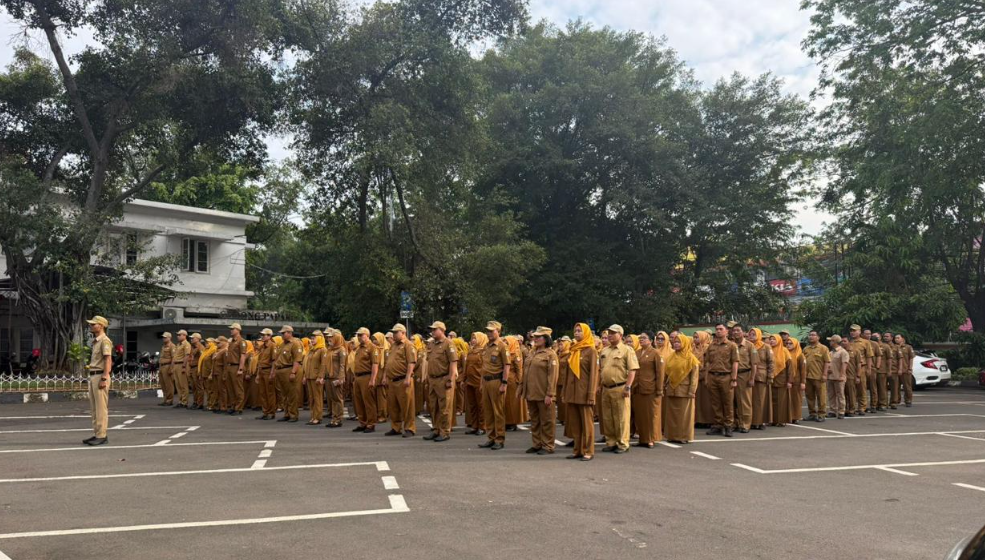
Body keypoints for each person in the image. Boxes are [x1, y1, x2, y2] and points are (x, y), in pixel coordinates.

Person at [599, 324, 639, 454]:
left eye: (613, 333)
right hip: (606, 388)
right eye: (609, 333)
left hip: (620, 387)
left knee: (621, 417)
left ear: (620, 335)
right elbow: (601, 370)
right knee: (608, 417)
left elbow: (632, 370)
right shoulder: (604, 351)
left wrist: (628, 386)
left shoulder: (627, 350)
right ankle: (611, 442)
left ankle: (623, 443)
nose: (610, 335)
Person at [520, 326, 559, 455]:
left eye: (538, 337)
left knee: (547, 421)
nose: (535, 339)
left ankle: (548, 445)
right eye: (534, 337)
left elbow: (552, 376)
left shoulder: (550, 354)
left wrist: (550, 394)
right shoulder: (532, 352)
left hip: (544, 393)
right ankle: (537, 444)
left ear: (546, 338)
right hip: (532, 392)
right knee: (535, 421)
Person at [564, 323, 599, 461]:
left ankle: (588, 450)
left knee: (587, 423)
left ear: (586, 333)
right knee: (575, 423)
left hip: (584, 393)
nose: (576, 333)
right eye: (575, 331)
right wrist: (565, 392)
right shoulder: (573, 350)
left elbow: (594, 375)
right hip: (572, 393)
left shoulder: (591, 351)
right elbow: (567, 374)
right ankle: (577, 450)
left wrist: (591, 393)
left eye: (579, 331)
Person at [663, 333, 701, 444]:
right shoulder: (671, 357)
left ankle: (683, 436)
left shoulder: (691, 358)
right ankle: (671, 435)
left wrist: (692, 391)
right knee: (672, 415)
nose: (676, 344)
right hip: (671, 389)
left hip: (684, 391)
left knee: (684, 415)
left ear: (684, 343)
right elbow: (667, 373)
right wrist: (664, 386)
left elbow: (694, 377)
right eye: (674, 342)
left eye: (678, 342)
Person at [478, 321, 510, 450]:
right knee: (488, 411)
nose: (489, 333)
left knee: (498, 412)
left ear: (498, 331)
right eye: (488, 331)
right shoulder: (486, 346)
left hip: (497, 381)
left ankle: (499, 439)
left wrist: (504, 383)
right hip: (486, 382)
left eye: (492, 331)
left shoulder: (502, 346)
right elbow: (484, 366)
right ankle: (491, 437)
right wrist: (481, 383)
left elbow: (507, 366)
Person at [424, 321, 458, 442]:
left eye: (434, 329)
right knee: (434, 407)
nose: (432, 332)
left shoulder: (448, 344)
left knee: (444, 408)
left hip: (443, 378)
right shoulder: (431, 344)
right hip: (433, 379)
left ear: (442, 330)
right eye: (431, 330)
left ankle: (444, 432)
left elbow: (453, 362)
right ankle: (436, 429)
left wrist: (450, 379)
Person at [382, 323, 417, 437]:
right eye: (393, 332)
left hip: (403, 379)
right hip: (393, 380)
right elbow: (389, 362)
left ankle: (409, 428)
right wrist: (386, 377)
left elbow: (411, 362)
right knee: (393, 405)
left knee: (407, 405)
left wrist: (408, 377)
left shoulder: (408, 345)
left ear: (403, 333)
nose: (394, 335)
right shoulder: (393, 346)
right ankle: (395, 427)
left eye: (396, 332)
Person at [83, 316, 113, 446]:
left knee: (101, 408)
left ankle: (102, 435)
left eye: (93, 324)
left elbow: (108, 360)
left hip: (100, 375)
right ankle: (97, 433)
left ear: (101, 326)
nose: (91, 326)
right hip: (94, 375)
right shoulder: (96, 341)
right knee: (94, 408)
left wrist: (104, 377)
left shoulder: (105, 341)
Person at [705, 324, 739, 437]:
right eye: (717, 329)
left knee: (728, 402)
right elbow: (707, 362)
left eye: (721, 329)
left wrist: (734, 378)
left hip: (726, 377)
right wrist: (706, 378)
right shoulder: (711, 346)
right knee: (715, 402)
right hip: (713, 376)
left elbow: (735, 362)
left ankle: (729, 425)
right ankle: (717, 424)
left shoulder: (732, 345)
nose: (718, 331)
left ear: (727, 331)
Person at [632, 331, 664, 448]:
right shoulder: (637, 353)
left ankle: (651, 439)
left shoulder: (655, 353)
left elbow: (660, 373)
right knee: (640, 415)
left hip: (650, 388)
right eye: (640, 338)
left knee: (651, 415)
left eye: (644, 338)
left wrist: (659, 390)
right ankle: (642, 438)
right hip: (638, 388)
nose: (641, 340)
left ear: (651, 340)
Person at [350, 328, 381, 432]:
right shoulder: (359, 348)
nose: (359, 337)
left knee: (368, 402)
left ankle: (371, 424)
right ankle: (363, 422)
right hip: (358, 377)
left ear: (367, 335)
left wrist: (372, 379)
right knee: (359, 402)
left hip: (367, 376)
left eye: (361, 335)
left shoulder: (373, 348)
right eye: (358, 335)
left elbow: (375, 364)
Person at [732, 323, 760, 433]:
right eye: (734, 331)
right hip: (732, 375)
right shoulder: (731, 345)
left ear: (744, 333)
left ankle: (745, 424)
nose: (735, 332)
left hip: (745, 374)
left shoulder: (750, 346)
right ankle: (735, 423)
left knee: (745, 401)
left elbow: (754, 364)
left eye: (738, 330)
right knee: (733, 400)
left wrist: (752, 378)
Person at [273, 326, 304, 423]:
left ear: (289, 333)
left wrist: (293, 372)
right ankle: (286, 414)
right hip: (281, 370)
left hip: (289, 369)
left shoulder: (295, 343)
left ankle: (293, 415)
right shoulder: (282, 344)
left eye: (283, 333)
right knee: (284, 394)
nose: (282, 335)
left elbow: (297, 359)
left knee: (292, 394)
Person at [748, 328, 772, 430]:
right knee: (750, 400)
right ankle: (751, 421)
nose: (752, 336)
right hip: (748, 375)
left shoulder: (765, 347)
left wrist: (770, 376)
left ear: (759, 335)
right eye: (750, 334)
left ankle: (759, 421)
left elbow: (771, 362)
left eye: (754, 334)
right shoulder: (747, 346)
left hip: (761, 376)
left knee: (760, 400)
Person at [802, 331, 830, 422]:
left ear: (818, 337)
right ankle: (812, 413)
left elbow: (827, 362)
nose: (811, 337)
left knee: (821, 396)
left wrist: (825, 374)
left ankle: (822, 414)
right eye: (810, 335)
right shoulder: (806, 349)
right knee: (809, 396)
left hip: (819, 376)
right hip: (808, 376)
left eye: (813, 335)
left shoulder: (823, 348)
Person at [302, 330, 328, 425]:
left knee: (317, 398)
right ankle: (313, 416)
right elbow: (307, 363)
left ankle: (318, 417)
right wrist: (305, 376)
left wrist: (320, 376)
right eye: (311, 338)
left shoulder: (322, 350)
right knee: (311, 398)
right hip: (309, 377)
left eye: (314, 338)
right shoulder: (311, 349)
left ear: (320, 338)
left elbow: (323, 364)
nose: (312, 340)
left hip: (316, 377)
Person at [463, 332, 487, 435]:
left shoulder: (483, 352)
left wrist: (482, 382)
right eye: (472, 338)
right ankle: (474, 426)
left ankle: (482, 427)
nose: (473, 340)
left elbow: (485, 368)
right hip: (470, 382)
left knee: (481, 405)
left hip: (478, 381)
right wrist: (464, 379)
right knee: (472, 405)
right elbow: (466, 366)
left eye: (475, 338)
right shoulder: (471, 351)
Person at [224, 323, 248, 415]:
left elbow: (243, 355)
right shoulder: (231, 342)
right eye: (231, 329)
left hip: (236, 366)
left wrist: (241, 368)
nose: (231, 330)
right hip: (230, 366)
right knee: (231, 389)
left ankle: (239, 408)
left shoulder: (241, 341)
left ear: (238, 330)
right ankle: (233, 406)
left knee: (238, 389)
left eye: (233, 329)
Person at [325, 330, 348, 427]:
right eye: (329, 337)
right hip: (329, 377)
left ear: (337, 339)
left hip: (336, 377)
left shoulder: (341, 350)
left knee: (338, 399)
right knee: (333, 399)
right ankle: (334, 418)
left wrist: (340, 379)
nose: (329, 339)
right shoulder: (330, 349)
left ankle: (338, 419)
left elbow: (343, 365)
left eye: (331, 337)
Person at [848, 325, 872, 415]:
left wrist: (869, 368)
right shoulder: (849, 342)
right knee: (851, 389)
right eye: (851, 331)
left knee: (861, 388)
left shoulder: (865, 342)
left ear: (859, 332)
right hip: (850, 368)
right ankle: (852, 407)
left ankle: (862, 407)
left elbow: (869, 356)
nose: (852, 332)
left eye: (854, 331)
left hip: (862, 367)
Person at [693, 330, 714, 428]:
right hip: (695, 376)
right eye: (694, 337)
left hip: (705, 376)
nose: (695, 339)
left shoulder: (708, 348)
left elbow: (709, 363)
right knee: (697, 400)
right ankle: (698, 420)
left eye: (697, 337)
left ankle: (707, 420)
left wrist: (702, 373)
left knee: (706, 400)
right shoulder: (693, 348)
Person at [504, 335, 526, 431]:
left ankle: (513, 423)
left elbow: (519, 369)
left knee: (512, 403)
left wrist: (519, 382)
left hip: (513, 381)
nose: (505, 343)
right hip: (506, 380)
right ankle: (507, 421)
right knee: (506, 403)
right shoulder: (506, 352)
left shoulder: (515, 353)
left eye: (507, 342)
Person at [768, 334, 790, 427]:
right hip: (771, 379)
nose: (772, 341)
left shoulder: (784, 350)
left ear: (779, 341)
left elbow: (790, 367)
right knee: (772, 401)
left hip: (782, 380)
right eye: (770, 339)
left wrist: (789, 381)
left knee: (781, 401)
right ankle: (773, 420)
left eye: (774, 339)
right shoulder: (768, 350)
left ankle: (781, 420)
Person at [254, 329, 276, 420]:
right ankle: (265, 412)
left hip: (268, 371)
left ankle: (271, 412)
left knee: (270, 393)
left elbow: (274, 361)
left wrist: (272, 373)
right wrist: (258, 375)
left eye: (264, 335)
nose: (262, 336)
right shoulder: (262, 347)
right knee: (262, 393)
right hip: (262, 371)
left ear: (269, 336)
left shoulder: (272, 346)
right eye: (262, 335)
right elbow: (259, 362)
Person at [827, 335, 848, 419]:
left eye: (831, 341)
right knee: (831, 395)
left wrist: (842, 376)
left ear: (835, 342)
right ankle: (833, 410)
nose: (830, 342)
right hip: (831, 377)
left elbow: (844, 365)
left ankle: (841, 411)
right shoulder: (830, 353)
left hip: (839, 377)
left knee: (840, 395)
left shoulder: (843, 352)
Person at [785, 337, 806, 423]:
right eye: (787, 343)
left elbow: (803, 369)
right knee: (787, 399)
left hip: (797, 380)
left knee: (796, 399)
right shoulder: (785, 353)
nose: (788, 345)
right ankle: (788, 416)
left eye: (791, 343)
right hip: (786, 381)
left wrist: (803, 382)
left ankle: (796, 416)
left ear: (796, 344)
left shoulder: (800, 355)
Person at [841, 337, 862, 417]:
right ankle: (844, 409)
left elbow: (859, 364)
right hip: (841, 376)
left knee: (851, 394)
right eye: (842, 341)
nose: (843, 342)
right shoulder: (840, 351)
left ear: (849, 342)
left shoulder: (855, 351)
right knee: (843, 394)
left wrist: (858, 376)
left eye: (845, 341)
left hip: (851, 376)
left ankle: (852, 409)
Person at [172, 329, 192, 409]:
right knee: (178, 385)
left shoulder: (186, 344)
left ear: (184, 335)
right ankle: (180, 401)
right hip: (177, 365)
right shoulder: (178, 344)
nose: (178, 336)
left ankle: (184, 402)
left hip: (182, 365)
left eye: (179, 335)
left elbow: (187, 356)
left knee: (183, 385)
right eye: (177, 335)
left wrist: (184, 367)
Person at [373, 332, 390, 423]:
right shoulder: (375, 350)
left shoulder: (386, 351)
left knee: (382, 398)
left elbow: (387, 365)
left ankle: (383, 415)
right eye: (373, 339)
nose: (374, 341)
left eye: (376, 339)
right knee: (376, 398)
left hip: (381, 377)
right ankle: (377, 414)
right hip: (376, 377)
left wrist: (384, 377)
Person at [896, 334, 915, 407]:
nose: (896, 339)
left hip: (905, 370)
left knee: (907, 387)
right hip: (895, 370)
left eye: (898, 338)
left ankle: (908, 400)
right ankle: (897, 400)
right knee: (896, 387)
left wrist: (910, 368)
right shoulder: (894, 347)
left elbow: (911, 358)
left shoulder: (908, 347)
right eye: (895, 338)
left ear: (902, 339)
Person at [884, 332, 901, 409]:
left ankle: (893, 402)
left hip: (894, 370)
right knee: (883, 387)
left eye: (887, 336)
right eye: (884, 336)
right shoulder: (882, 346)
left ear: (891, 338)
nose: (885, 338)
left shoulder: (896, 347)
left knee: (894, 387)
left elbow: (900, 359)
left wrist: (900, 369)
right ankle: (884, 403)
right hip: (883, 370)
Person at [158, 332, 175, 406]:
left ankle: (169, 400)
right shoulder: (163, 346)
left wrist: (171, 368)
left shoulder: (172, 346)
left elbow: (173, 358)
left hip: (167, 366)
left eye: (165, 337)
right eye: (163, 337)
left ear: (169, 338)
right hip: (162, 366)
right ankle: (165, 399)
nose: (163, 338)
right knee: (163, 384)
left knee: (169, 384)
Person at [188, 333, 204, 409]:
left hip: (197, 368)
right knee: (193, 387)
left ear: (198, 339)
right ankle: (195, 402)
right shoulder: (193, 347)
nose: (191, 339)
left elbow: (202, 359)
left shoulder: (200, 347)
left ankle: (200, 403)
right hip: (192, 367)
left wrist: (199, 370)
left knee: (198, 387)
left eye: (193, 338)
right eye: (191, 338)